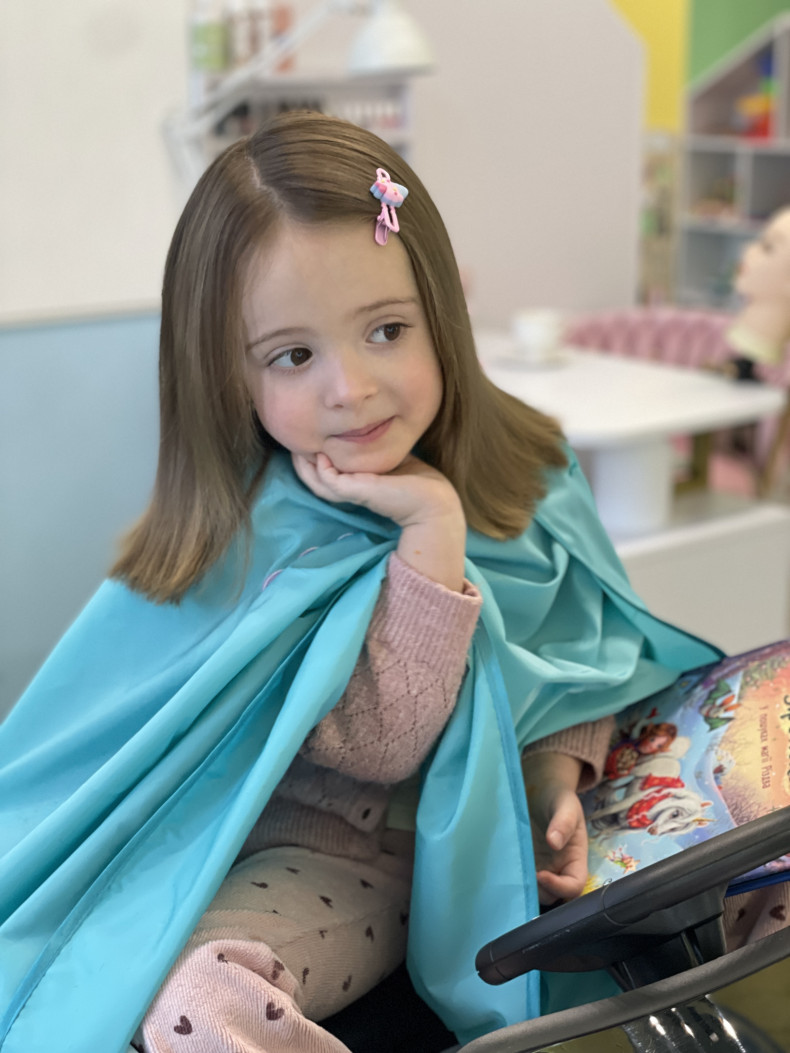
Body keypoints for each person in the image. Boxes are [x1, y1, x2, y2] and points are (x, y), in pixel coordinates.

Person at [0, 112, 723, 1053]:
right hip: (222, 846)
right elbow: (115, 751)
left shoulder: (529, 472)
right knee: (106, 982)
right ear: (229, 374)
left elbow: (578, 655)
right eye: (294, 355)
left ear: (441, 315)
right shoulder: (244, 530)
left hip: (380, 858)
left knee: (197, 997)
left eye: (386, 330)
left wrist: (555, 769)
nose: (351, 387)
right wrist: (430, 530)